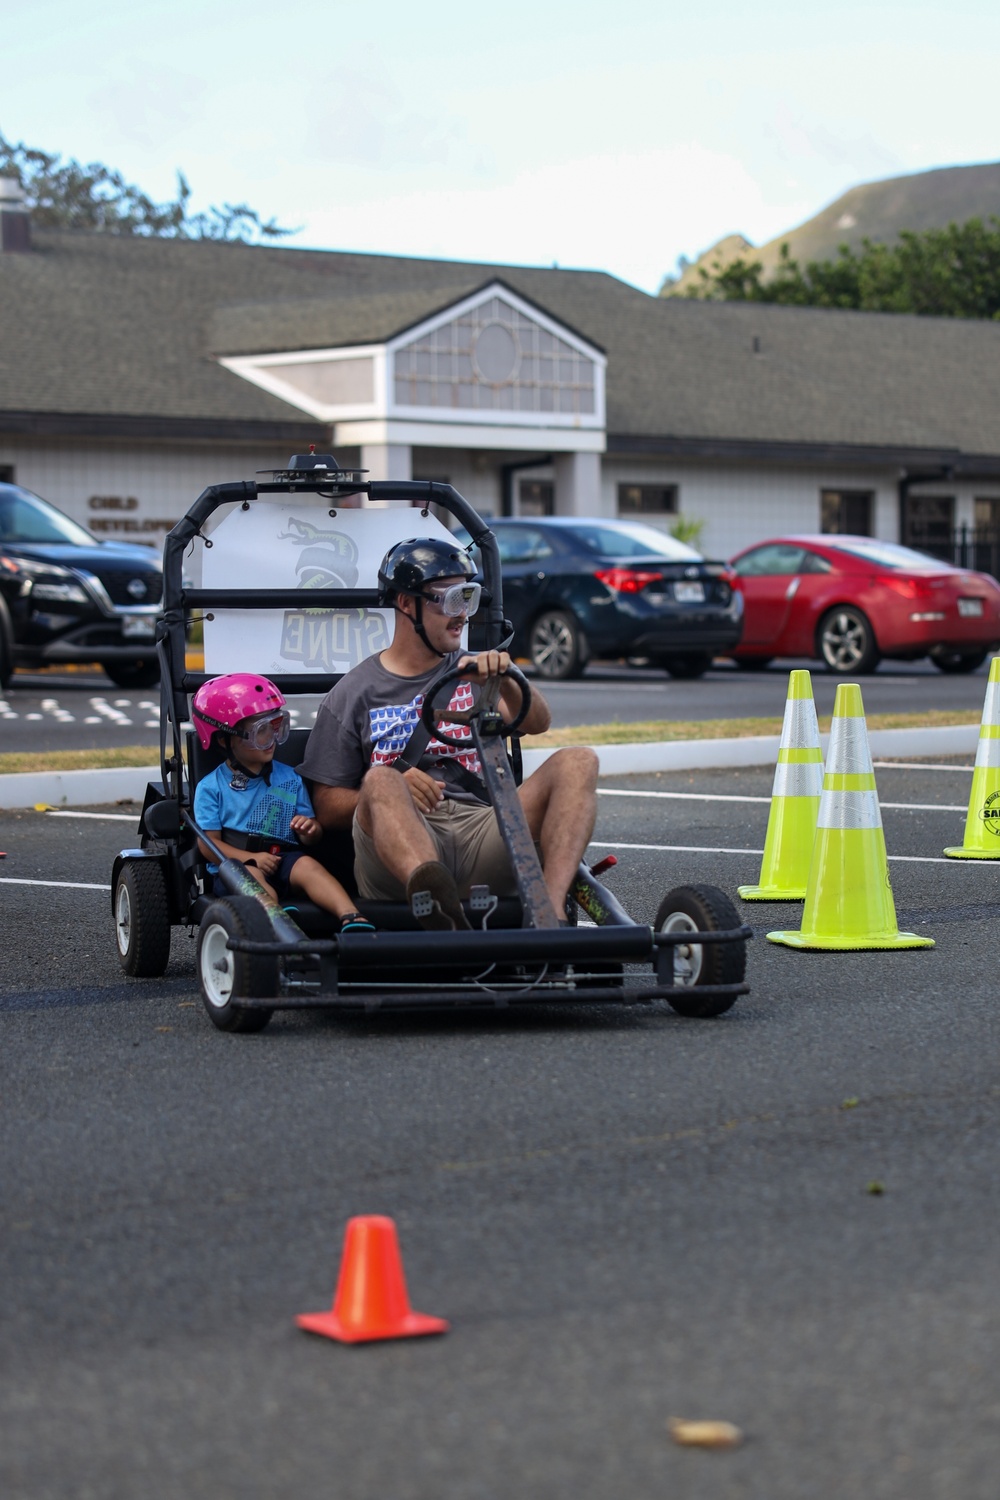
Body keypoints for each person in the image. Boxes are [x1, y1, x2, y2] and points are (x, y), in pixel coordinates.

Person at [299, 536, 599, 930]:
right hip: (401, 846)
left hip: (484, 830)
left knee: (579, 761)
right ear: (406, 604)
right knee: (381, 779)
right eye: (451, 599)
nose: (463, 615)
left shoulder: (476, 671)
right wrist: (394, 785)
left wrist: (507, 677)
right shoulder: (351, 694)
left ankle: (551, 916)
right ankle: (438, 908)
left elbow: (538, 722)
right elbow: (326, 807)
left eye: (469, 598)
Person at [191, 673, 374, 934]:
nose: (271, 739)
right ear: (224, 739)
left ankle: (352, 916)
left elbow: (312, 836)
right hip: (237, 864)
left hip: (283, 856)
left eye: (274, 727)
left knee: (310, 867)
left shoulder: (290, 776)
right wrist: (252, 858)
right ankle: (276, 918)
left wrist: (310, 830)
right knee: (250, 877)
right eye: (259, 732)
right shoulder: (211, 787)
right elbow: (208, 845)